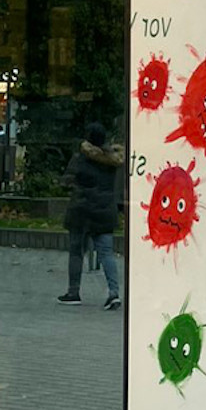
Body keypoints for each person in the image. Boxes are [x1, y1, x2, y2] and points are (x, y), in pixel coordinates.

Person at [58, 122, 123, 308]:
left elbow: (67, 181)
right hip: (104, 212)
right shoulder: (112, 161)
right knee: (106, 254)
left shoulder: (80, 158)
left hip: (81, 210)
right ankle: (114, 293)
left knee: (76, 252)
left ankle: (73, 292)